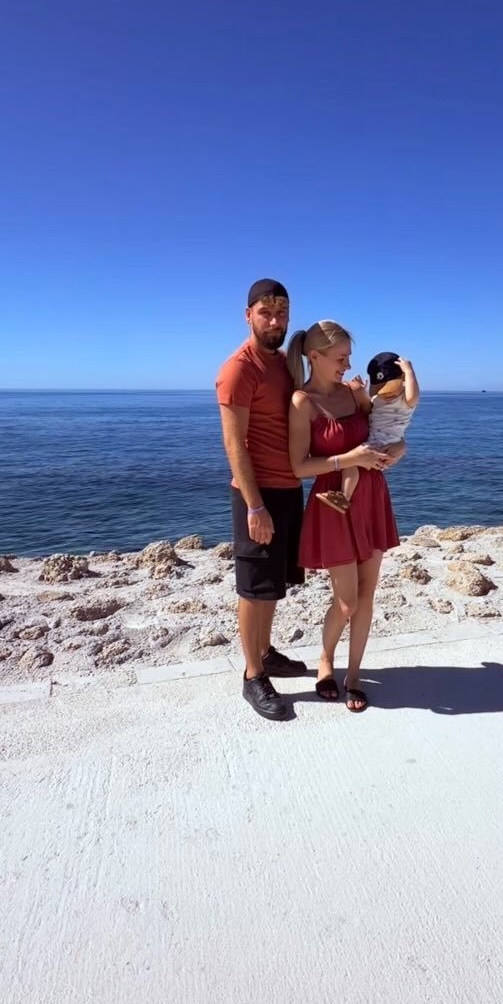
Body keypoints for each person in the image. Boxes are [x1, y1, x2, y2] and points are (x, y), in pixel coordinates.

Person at [286, 321, 402, 712]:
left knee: (367, 596)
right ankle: (325, 658)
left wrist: (398, 450)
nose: (348, 365)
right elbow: (299, 466)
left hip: (371, 497)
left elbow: (387, 430)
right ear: (314, 356)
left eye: (349, 357)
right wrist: (348, 459)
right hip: (334, 503)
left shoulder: (354, 394)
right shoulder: (302, 402)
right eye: (340, 358)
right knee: (347, 602)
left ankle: (353, 675)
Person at [216, 279, 307, 721]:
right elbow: (234, 444)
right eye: (265, 313)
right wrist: (255, 506)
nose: (275, 321)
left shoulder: (284, 363)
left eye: (281, 313)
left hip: (290, 488)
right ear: (248, 315)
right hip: (257, 493)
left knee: (272, 584)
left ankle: (266, 653)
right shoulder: (239, 369)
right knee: (253, 589)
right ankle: (253, 675)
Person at [315, 351, 419, 514]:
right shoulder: (377, 399)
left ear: (403, 380)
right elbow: (369, 404)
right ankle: (345, 496)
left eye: (391, 389)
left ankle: (344, 497)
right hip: (378, 443)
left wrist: (409, 371)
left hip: (383, 445)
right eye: (382, 389)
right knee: (352, 462)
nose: (387, 393)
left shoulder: (405, 402)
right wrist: (361, 390)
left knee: (351, 462)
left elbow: (414, 394)